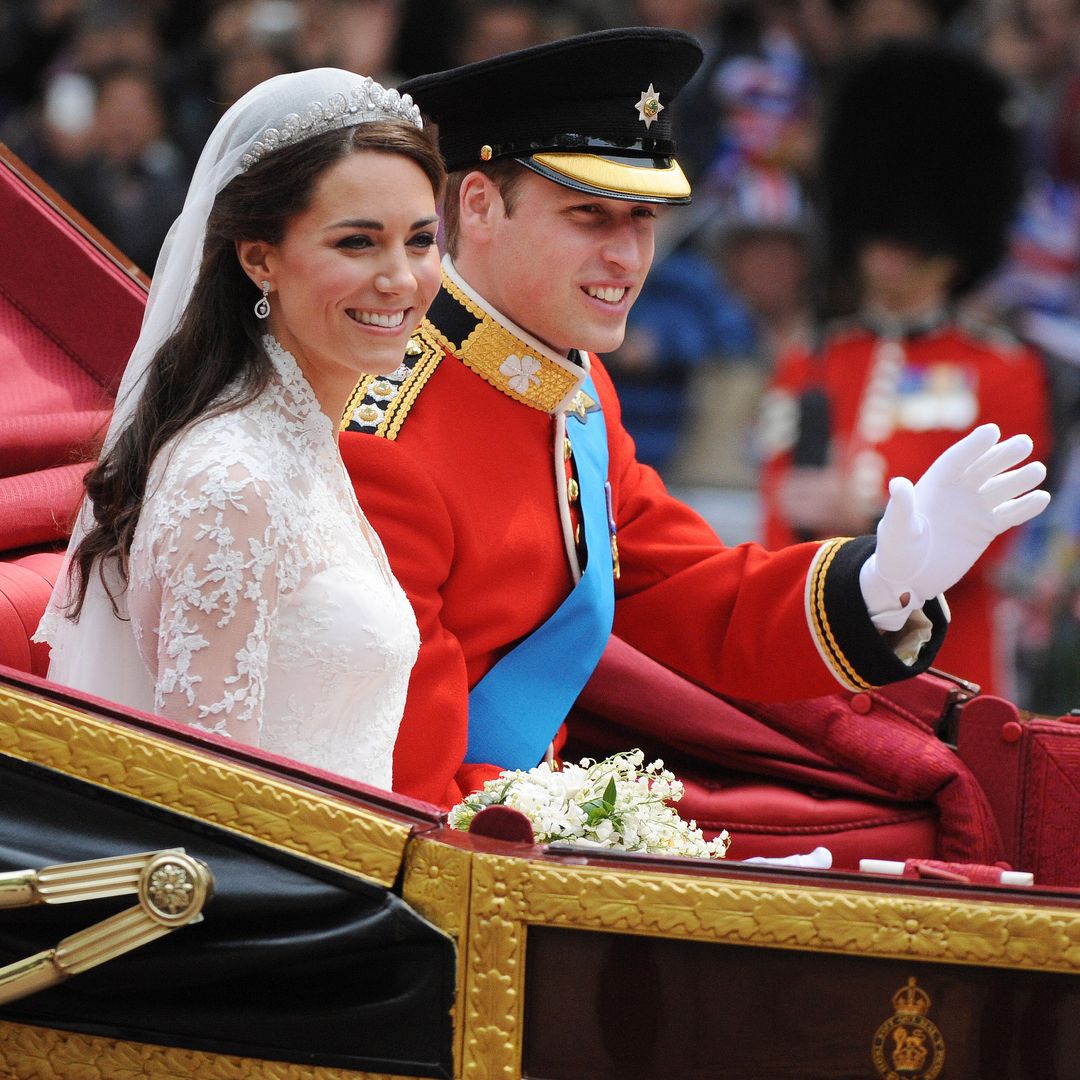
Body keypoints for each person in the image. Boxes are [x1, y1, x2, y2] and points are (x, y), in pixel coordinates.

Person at [338, 27, 1049, 810]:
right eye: (589, 215)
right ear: (478, 206)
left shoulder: (576, 388)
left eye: (643, 219)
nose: (628, 256)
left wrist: (879, 581)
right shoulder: (388, 426)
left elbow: (689, 590)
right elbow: (405, 778)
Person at [35, 67, 445, 791]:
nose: (401, 279)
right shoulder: (232, 478)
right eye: (357, 243)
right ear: (260, 258)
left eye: (419, 240)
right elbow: (211, 806)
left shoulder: (297, 439)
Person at [760, 40, 1053, 695]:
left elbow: (997, 538)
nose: (886, 252)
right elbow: (778, 518)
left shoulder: (1002, 369)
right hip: (820, 649)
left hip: (948, 663)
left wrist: (868, 512)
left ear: (951, 248)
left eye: (908, 237)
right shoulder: (810, 361)